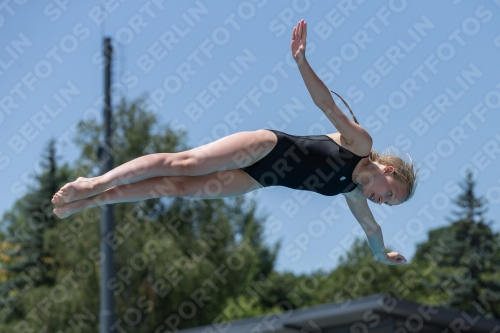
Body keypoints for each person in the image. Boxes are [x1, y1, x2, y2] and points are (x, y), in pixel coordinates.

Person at [52, 20, 417, 266]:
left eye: (387, 203)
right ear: (387, 170)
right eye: (390, 194)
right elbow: (326, 105)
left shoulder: (352, 191)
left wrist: (381, 256)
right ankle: (95, 182)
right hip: (265, 148)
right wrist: (302, 61)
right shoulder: (359, 143)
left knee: (177, 188)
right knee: (185, 164)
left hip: (257, 179)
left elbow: (372, 230)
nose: (382, 202)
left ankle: (92, 201)